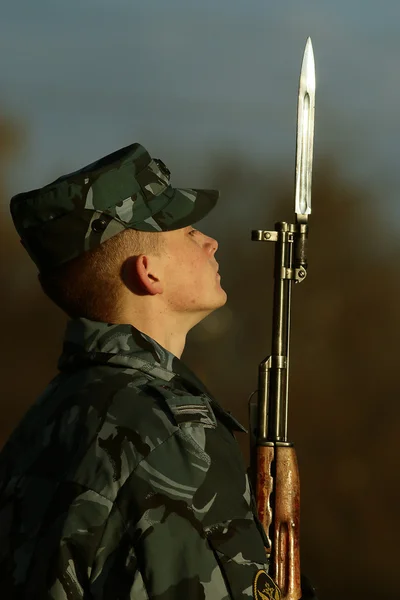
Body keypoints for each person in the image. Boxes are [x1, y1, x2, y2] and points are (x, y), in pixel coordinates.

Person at [0, 142, 317, 599]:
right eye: (187, 232)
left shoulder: (45, 418)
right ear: (148, 272)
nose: (211, 241)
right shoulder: (171, 431)